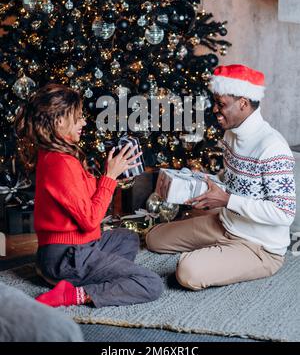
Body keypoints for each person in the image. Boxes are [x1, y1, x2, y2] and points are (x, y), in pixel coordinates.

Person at [146, 64, 296, 290]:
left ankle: (222, 258)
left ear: (243, 103)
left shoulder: (273, 148)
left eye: (221, 104)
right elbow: (232, 179)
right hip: (224, 223)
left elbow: (284, 214)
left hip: (259, 247)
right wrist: (203, 179)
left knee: (187, 272)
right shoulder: (231, 133)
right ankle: (220, 254)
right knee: (153, 238)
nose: (215, 109)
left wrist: (227, 201)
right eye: (215, 102)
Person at [15, 83, 163, 308]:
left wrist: (110, 178)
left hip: (68, 251)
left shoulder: (56, 156)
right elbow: (90, 220)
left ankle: (87, 275)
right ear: (59, 121)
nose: (84, 122)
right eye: (78, 117)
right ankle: (74, 293)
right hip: (67, 257)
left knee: (127, 238)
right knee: (150, 283)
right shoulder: (61, 163)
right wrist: (110, 178)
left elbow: (81, 196)